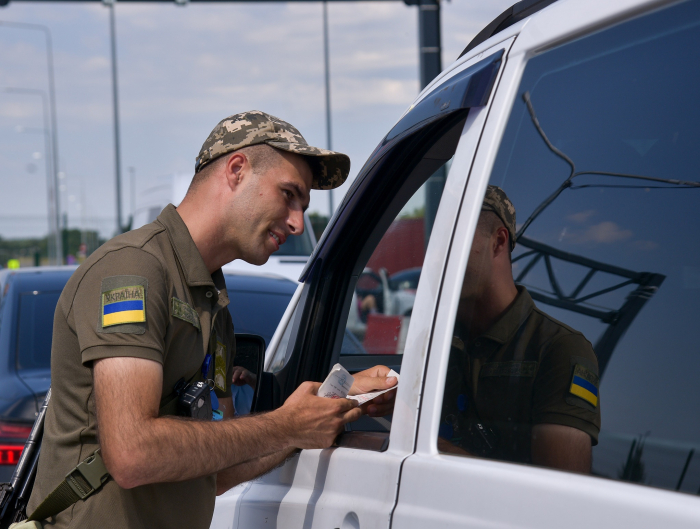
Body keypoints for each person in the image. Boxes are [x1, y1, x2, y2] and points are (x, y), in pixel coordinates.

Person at [27, 111, 397, 528]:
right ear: (237, 170)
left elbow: (217, 469)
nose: (297, 223)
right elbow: (131, 453)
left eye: (304, 206)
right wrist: (283, 424)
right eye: (288, 194)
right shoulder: (134, 271)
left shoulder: (211, 305)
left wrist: (322, 413)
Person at [439, 185, 600, 473]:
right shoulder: (437, 343)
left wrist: (432, 450)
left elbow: (560, 499)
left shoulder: (559, 350)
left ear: (497, 242)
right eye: (437, 242)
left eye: (453, 239)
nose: (439, 256)